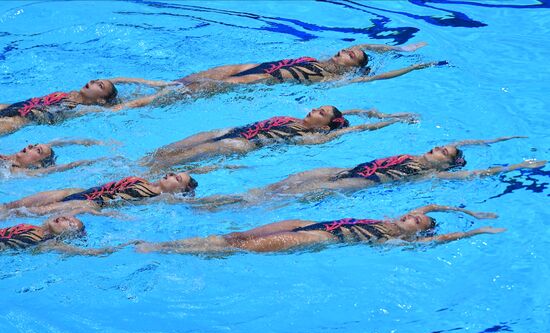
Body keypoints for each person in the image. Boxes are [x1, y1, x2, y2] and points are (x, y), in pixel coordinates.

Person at [190, 136, 546, 209]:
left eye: (444, 152)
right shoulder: (417, 155)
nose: (437, 148)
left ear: (449, 163)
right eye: (439, 145)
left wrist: (519, 166)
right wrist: (496, 140)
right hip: (341, 170)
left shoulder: (429, 174)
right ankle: (222, 201)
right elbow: (464, 143)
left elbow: (472, 175)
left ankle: (220, 206)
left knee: (268, 200)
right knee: (275, 186)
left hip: (353, 183)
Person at [108, 42, 444, 110]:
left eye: (352, 55)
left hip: (249, 81)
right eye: (348, 48)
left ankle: (129, 105)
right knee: (179, 82)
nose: (347, 50)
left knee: (183, 93)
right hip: (242, 67)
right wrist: (399, 50)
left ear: (353, 67)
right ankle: (131, 96)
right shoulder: (318, 57)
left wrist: (414, 67)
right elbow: (366, 46)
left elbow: (376, 79)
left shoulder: (330, 78)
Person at [133, 204, 505, 254]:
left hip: (319, 235)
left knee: (240, 248)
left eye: (415, 223)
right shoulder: (391, 220)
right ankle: (165, 242)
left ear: (414, 234)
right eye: (412, 215)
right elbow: (429, 208)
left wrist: (476, 233)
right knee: (235, 237)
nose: (410, 217)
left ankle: (162, 250)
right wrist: (468, 212)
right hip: (306, 223)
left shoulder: (393, 237)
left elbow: (442, 235)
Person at [142, 105, 417, 169]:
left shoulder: (313, 135)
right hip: (228, 131)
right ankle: (145, 163)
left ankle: (154, 172)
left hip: (239, 143)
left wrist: (389, 121)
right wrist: (369, 111)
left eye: (320, 113)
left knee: (177, 160)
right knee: (162, 150)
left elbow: (352, 128)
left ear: (324, 126)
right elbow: (351, 114)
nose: (313, 110)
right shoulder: (294, 118)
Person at [0, 172, 198, 217]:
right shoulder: (143, 180)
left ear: (180, 191)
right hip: (81, 192)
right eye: (174, 172)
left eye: (177, 179)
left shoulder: (160, 197)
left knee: (26, 212)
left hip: (90, 204)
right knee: (10, 205)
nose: (171, 174)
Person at [0, 79, 118, 136]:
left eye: (99, 85)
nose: (93, 81)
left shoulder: (84, 109)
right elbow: (116, 79)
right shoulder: (71, 93)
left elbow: (117, 108)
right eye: (96, 80)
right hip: (17, 106)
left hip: (24, 118)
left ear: (101, 100)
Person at [0, 215, 125, 255]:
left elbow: (88, 252)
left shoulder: (48, 243)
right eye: (69, 217)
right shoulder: (35, 226)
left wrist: (131, 243)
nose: (64, 217)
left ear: (69, 235)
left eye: (70, 223)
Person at [0, 139, 111, 176]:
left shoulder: (22, 172)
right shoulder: (9, 158)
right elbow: (54, 142)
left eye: (37, 150)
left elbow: (68, 166)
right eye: (34, 145)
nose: (29, 146)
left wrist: (98, 160)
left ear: (38, 164)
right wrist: (79, 141)